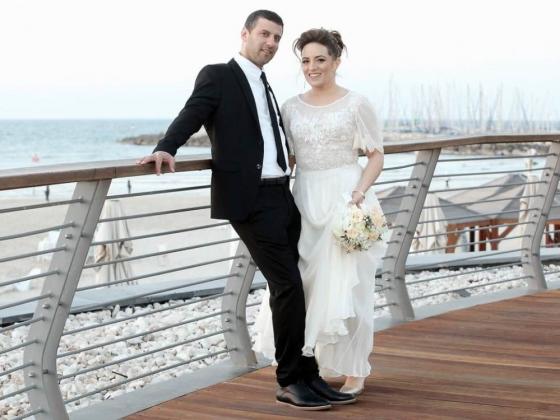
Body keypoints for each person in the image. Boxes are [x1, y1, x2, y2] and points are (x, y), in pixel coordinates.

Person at [137, 10, 355, 410]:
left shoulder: (264, 82)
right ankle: (289, 380)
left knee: (299, 285)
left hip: (282, 195)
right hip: (250, 200)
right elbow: (193, 113)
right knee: (287, 285)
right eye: (264, 34)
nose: (270, 43)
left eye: (277, 38)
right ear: (245, 34)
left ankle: (308, 374)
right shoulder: (219, 75)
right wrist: (166, 146)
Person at [253, 28, 386, 396]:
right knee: (305, 286)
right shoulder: (290, 107)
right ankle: (311, 365)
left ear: (336, 62)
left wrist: (359, 192)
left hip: (346, 198)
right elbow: (288, 160)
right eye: (306, 61)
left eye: (320, 59)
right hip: (303, 199)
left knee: (350, 287)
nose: (312, 67)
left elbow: (376, 155)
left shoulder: (356, 103)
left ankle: (355, 369)